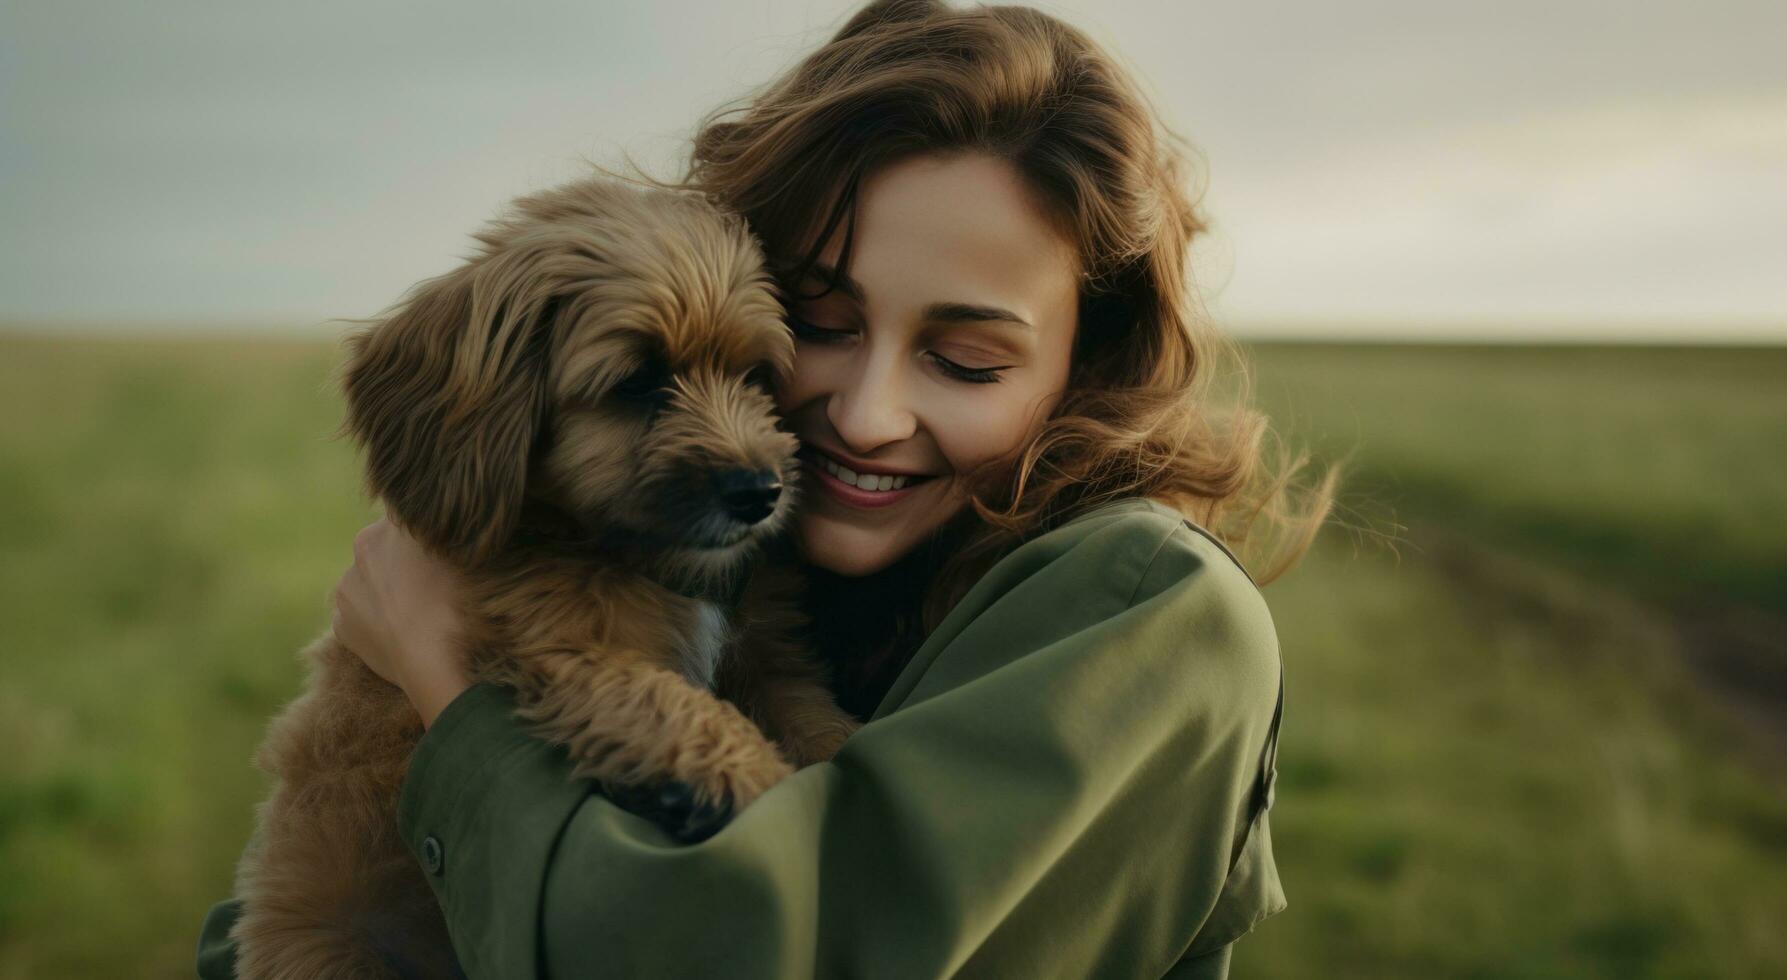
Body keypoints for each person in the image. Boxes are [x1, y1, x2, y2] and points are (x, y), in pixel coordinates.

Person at [198, 0, 1341, 976]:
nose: (862, 414)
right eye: (822, 326)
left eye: (967, 360)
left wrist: (448, 684)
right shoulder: (809, 559)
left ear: (1085, 366)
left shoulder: (1147, 607)